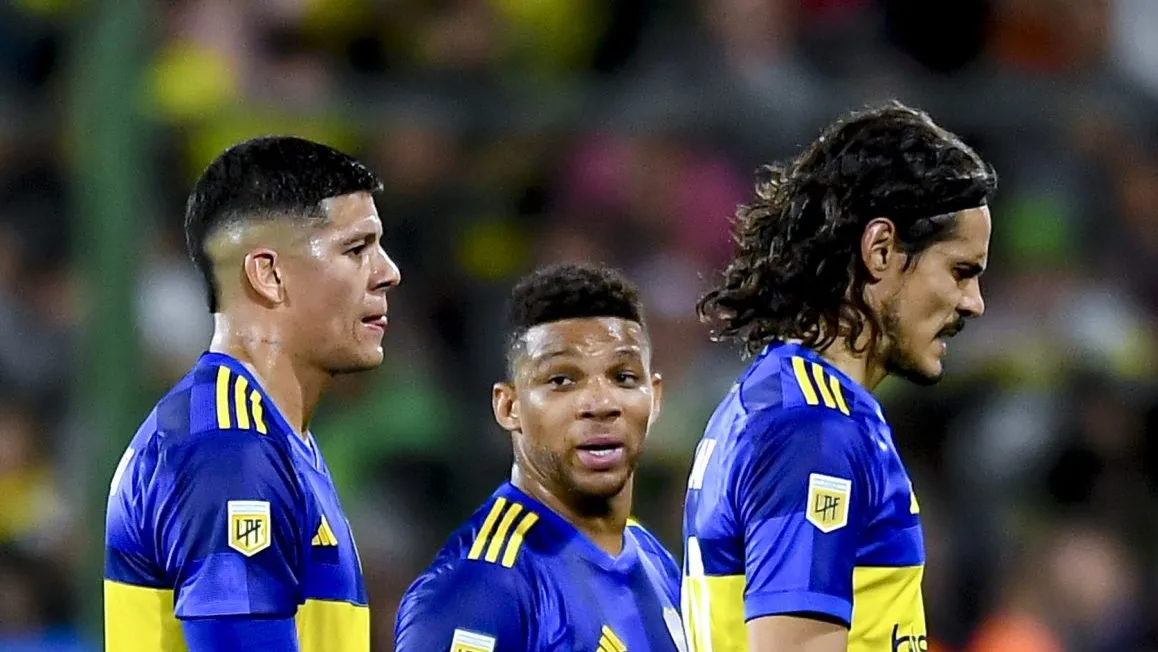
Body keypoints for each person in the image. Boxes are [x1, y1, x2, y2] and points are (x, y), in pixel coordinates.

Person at [680, 101, 997, 652]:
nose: (974, 304)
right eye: (961, 271)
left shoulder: (787, 402)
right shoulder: (813, 430)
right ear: (880, 250)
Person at [103, 136, 401, 652]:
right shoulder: (230, 451)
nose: (387, 273)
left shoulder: (266, 435)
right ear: (268, 273)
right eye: (356, 249)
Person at [394, 263, 687, 652]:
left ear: (656, 398)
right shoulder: (481, 588)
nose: (600, 404)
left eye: (624, 377)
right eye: (562, 380)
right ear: (509, 407)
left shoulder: (657, 563)